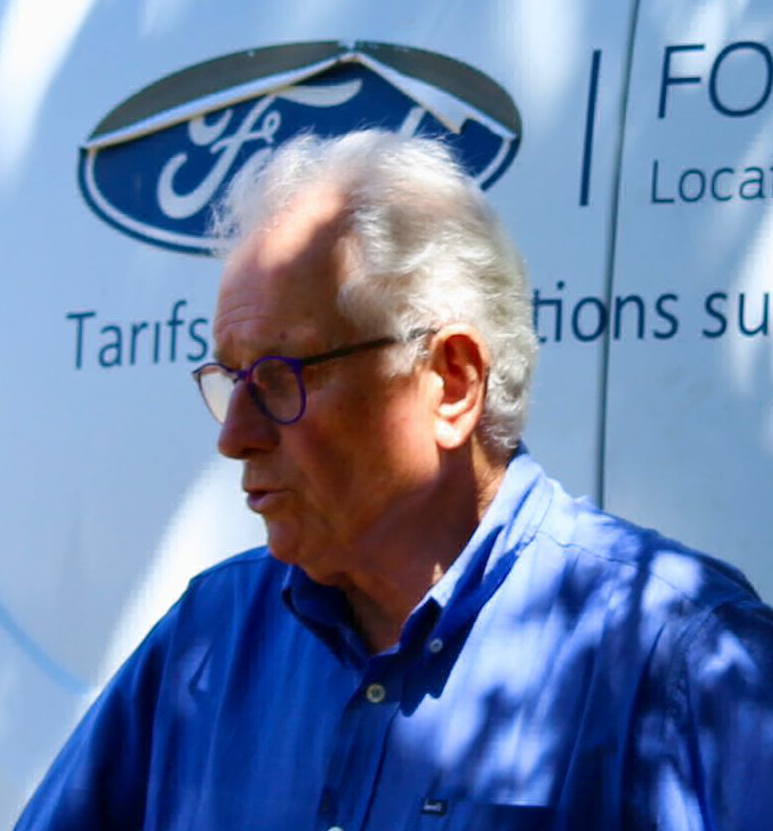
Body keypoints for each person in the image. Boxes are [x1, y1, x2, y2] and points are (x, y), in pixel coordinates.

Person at [15, 130, 773, 831]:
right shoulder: (209, 636)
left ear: (451, 382)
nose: (234, 435)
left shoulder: (682, 657)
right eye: (231, 378)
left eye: (279, 377)